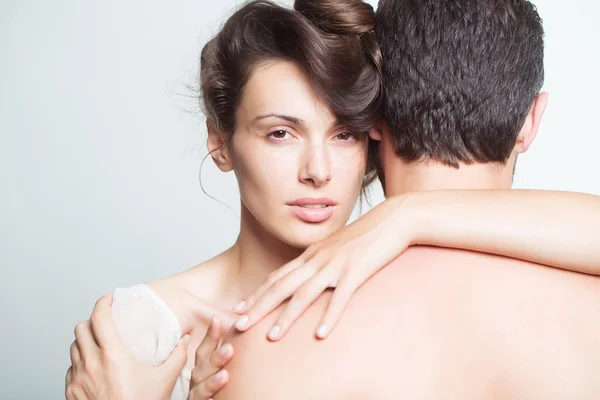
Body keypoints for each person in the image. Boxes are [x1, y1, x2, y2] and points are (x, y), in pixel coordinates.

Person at [64, 1, 600, 399]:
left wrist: (407, 215)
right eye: (280, 133)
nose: (316, 172)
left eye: (342, 133)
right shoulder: (153, 331)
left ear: (374, 128)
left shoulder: (265, 353)